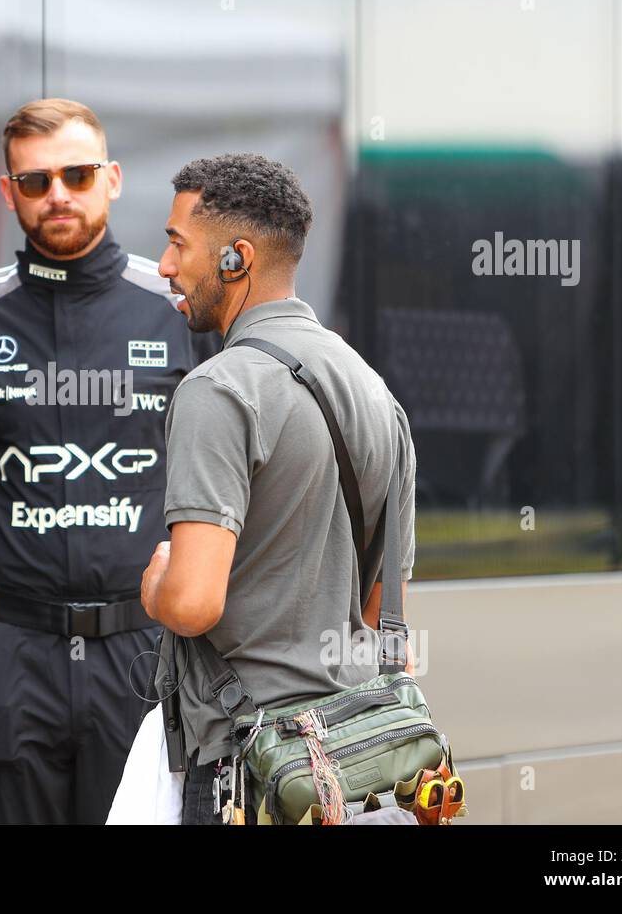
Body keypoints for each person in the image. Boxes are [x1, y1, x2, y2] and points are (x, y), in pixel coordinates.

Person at [0, 99, 217, 823]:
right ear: (9, 193)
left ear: (112, 179)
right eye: (35, 182)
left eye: (77, 174)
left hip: (145, 653)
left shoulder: (181, 311)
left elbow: (248, 467)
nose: (58, 194)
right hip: (9, 658)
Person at [139, 152, 418, 825]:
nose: (165, 266)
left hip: (255, 773)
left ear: (236, 259)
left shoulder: (217, 390)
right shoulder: (374, 390)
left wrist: (157, 581)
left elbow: (194, 603)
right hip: (359, 767)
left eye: (178, 243)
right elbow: (386, 625)